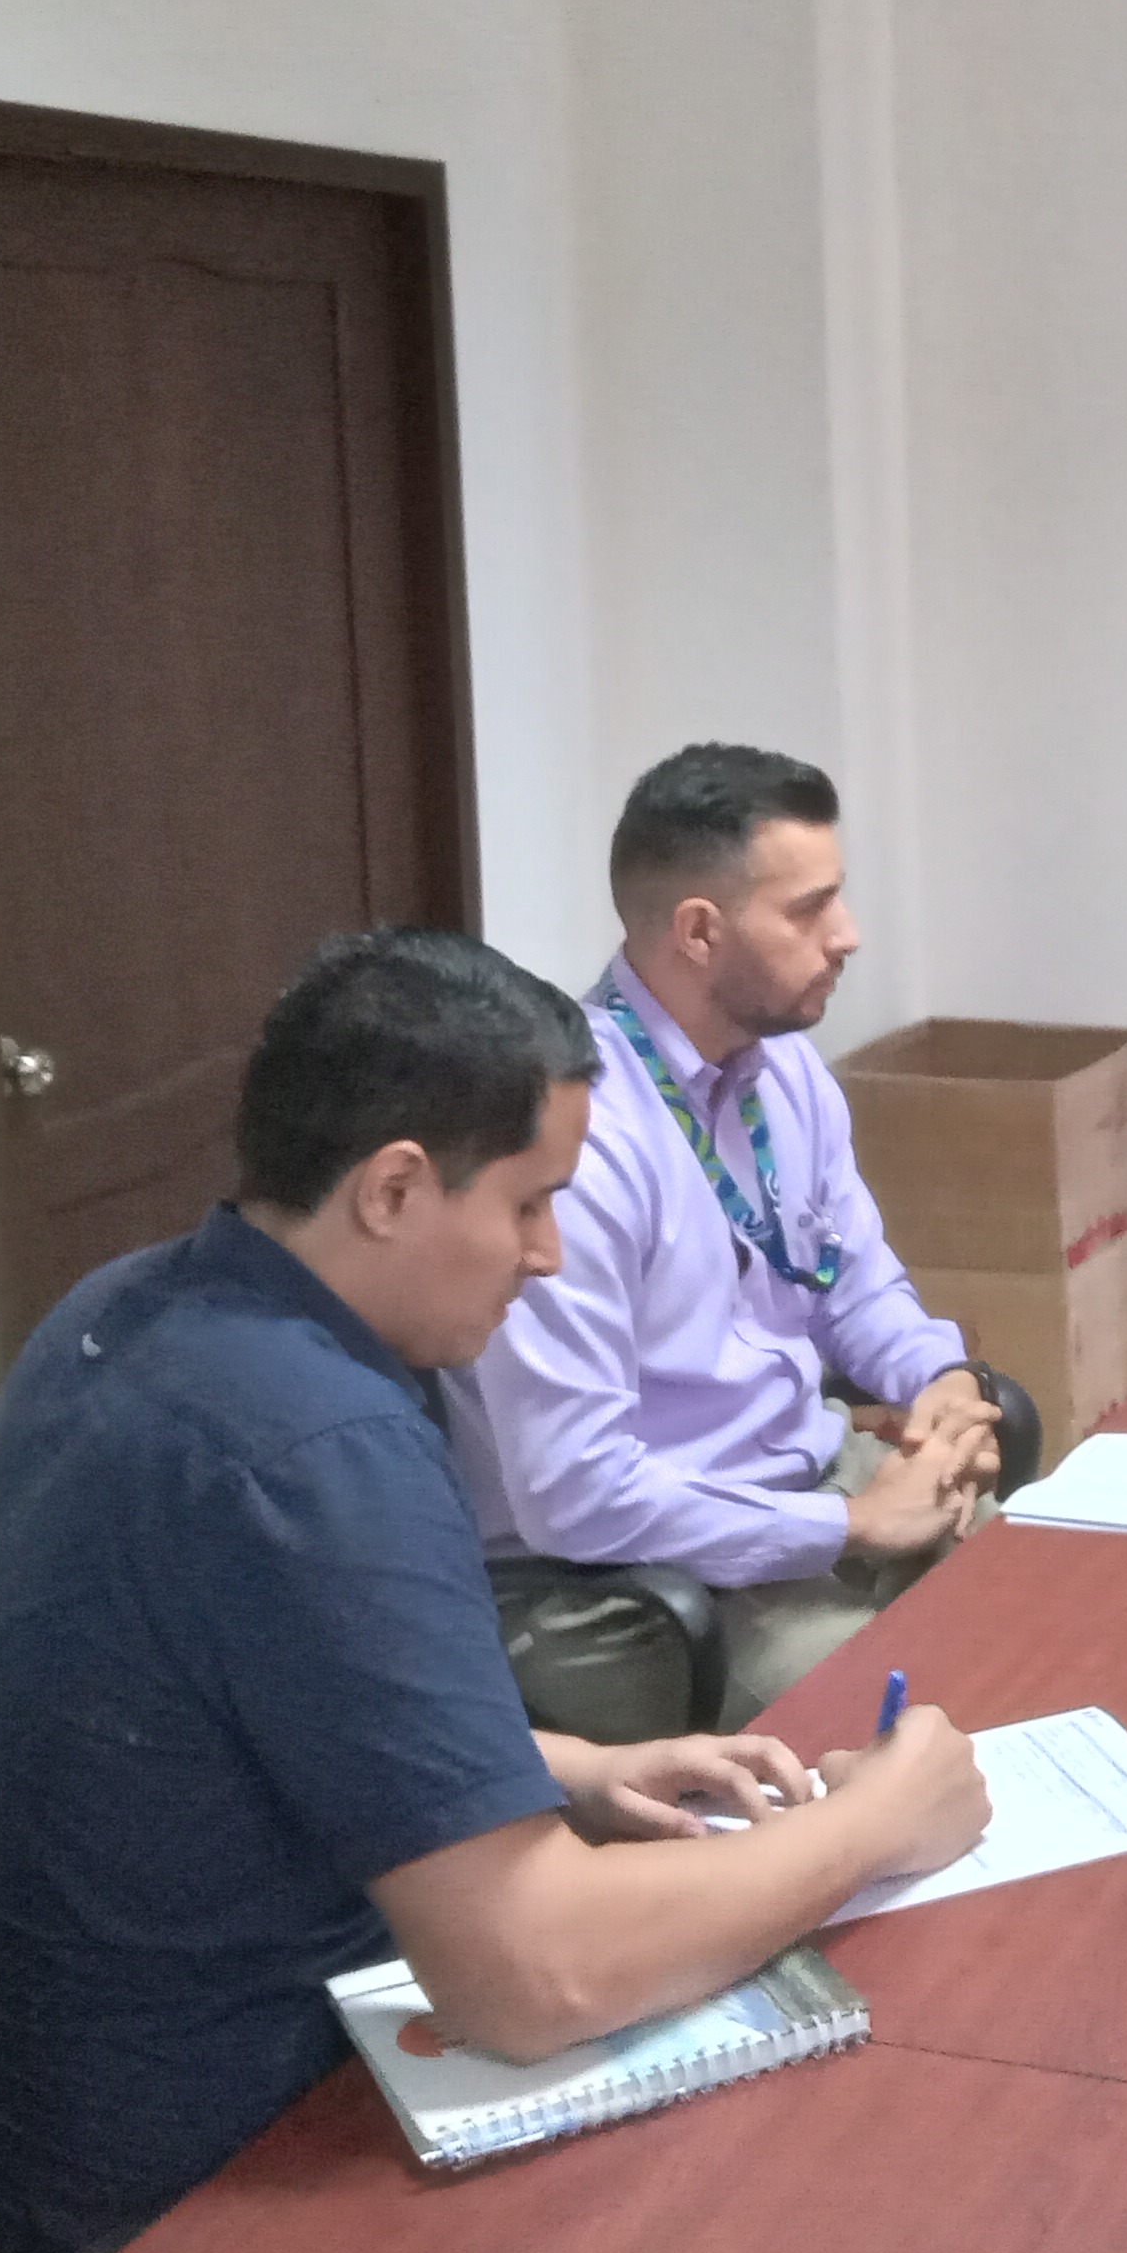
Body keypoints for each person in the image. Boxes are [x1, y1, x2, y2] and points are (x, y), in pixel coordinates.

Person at [0, 929, 988, 2253]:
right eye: (531, 1204)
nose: (549, 1256)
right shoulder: (324, 1444)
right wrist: (876, 1825)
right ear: (393, 1189)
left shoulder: (122, 1313)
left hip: (13, 2152)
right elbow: (531, 1976)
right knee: (818, 2239)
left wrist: (556, 1768)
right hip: (187, 2218)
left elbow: (235, 1714)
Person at [446, 745, 1002, 1739]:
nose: (847, 935)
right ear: (700, 931)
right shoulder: (577, 1142)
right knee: (940, 1725)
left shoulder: (785, 1073)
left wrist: (940, 1381)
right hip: (641, 1573)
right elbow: (578, 1494)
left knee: (1061, 1601)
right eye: (809, 910)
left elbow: (851, 1283)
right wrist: (854, 1525)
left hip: (806, 1484)